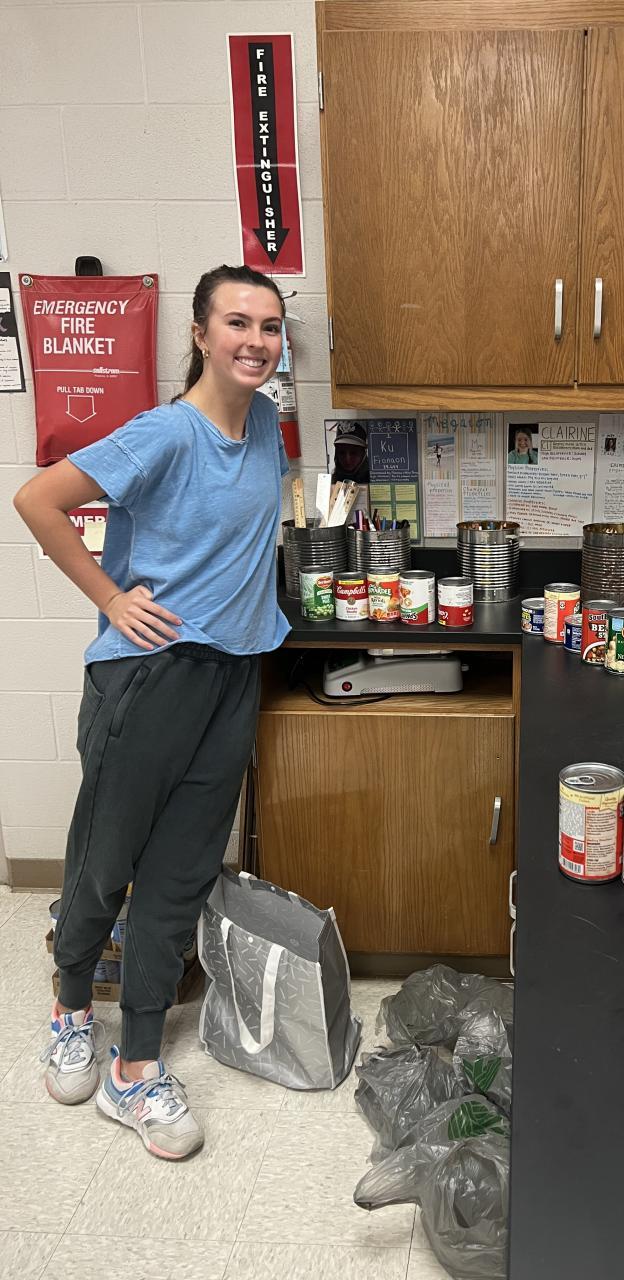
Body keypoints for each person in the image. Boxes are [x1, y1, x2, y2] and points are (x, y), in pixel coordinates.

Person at [12, 264, 290, 1160]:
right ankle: (69, 1009)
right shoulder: (165, 433)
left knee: (179, 874)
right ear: (201, 335)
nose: (256, 341)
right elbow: (38, 500)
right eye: (237, 323)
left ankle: (135, 1067)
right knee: (106, 861)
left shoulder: (266, 424)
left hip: (232, 676)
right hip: (151, 676)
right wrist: (111, 598)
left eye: (270, 326)